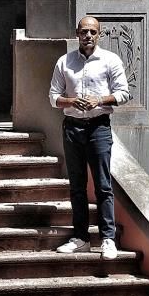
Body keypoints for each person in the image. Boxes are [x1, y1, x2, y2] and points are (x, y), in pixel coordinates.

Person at [48, 16, 130, 260]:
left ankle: (107, 238)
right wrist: (71, 101)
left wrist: (100, 100)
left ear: (100, 34)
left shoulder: (110, 60)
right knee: (77, 187)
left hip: (99, 128)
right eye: (84, 32)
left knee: (103, 186)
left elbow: (123, 93)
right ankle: (81, 238)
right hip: (72, 128)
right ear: (77, 33)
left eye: (93, 32)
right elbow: (53, 97)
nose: (88, 36)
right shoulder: (65, 62)